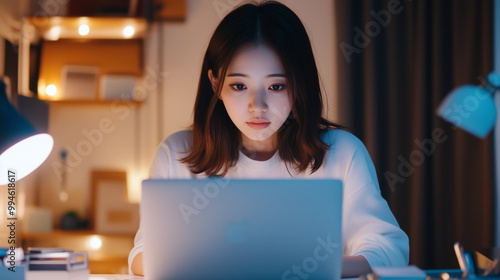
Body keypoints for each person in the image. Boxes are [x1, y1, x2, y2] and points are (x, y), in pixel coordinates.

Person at [129, 1, 409, 277]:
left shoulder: (342, 153)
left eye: (276, 86)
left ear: (298, 84)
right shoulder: (177, 154)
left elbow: (388, 249)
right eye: (239, 86)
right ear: (215, 84)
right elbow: (142, 255)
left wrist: (318, 269)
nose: (257, 106)